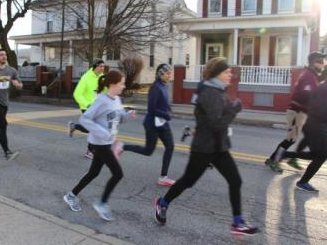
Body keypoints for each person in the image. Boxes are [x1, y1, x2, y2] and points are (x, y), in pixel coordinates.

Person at [154, 57, 258, 236]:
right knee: (188, 181)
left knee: (235, 180)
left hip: (219, 148)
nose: (230, 75)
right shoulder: (209, 92)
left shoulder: (219, 90)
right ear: (218, 73)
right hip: (203, 148)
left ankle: (237, 222)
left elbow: (219, 117)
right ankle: (162, 203)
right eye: (227, 72)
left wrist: (231, 107)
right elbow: (216, 123)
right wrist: (235, 109)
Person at [63, 70, 135, 221]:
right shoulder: (101, 100)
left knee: (93, 173)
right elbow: (85, 119)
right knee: (118, 174)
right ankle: (102, 204)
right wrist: (103, 133)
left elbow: (118, 118)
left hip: (107, 143)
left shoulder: (116, 99)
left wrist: (127, 116)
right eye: (122, 83)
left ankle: (71, 195)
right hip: (100, 144)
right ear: (113, 84)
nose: (123, 86)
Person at [265, 52, 326, 173]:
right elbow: (307, 95)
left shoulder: (312, 75)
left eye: (323, 62)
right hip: (297, 111)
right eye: (321, 62)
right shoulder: (309, 76)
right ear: (314, 63)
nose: (323, 64)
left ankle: (291, 158)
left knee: (308, 137)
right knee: (290, 139)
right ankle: (273, 160)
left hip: (304, 113)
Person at [117, 63, 176, 187]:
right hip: (152, 124)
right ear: (161, 74)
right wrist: (166, 115)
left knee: (170, 146)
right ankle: (123, 147)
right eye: (168, 73)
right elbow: (151, 109)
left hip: (162, 124)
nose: (170, 75)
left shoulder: (165, 85)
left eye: (171, 73)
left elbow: (164, 102)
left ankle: (163, 177)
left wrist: (169, 109)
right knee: (148, 151)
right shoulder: (155, 87)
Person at [69, 59, 105, 159]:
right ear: (95, 66)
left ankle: (74, 126)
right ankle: (90, 151)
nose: (102, 68)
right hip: (87, 107)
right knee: (94, 129)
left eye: (103, 66)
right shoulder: (86, 78)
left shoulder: (102, 77)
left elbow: (105, 90)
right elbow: (77, 94)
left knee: (95, 129)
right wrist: (87, 104)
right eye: (100, 66)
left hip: (97, 107)